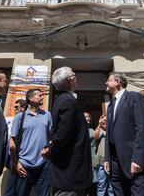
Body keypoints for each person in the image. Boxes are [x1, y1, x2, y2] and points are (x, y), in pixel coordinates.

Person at [104, 72, 144, 196]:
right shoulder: (111, 104)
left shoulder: (134, 97)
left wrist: (138, 158)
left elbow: (143, 128)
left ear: (118, 82)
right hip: (115, 163)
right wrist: (107, 158)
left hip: (133, 160)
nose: (106, 83)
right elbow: (109, 134)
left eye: (109, 80)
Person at [47, 66, 93, 196]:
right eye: (73, 75)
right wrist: (51, 149)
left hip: (67, 169)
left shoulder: (62, 99)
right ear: (69, 80)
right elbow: (63, 134)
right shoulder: (68, 101)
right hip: (69, 169)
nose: (75, 77)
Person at [7, 89, 52, 196]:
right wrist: (16, 163)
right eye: (39, 95)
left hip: (43, 165)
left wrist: (49, 147)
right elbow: (12, 143)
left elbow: (51, 136)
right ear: (31, 99)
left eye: (42, 95)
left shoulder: (47, 115)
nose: (42, 97)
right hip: (24, 165)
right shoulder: (20, 117)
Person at [3, 98, 29, 196]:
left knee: (19, 186)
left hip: (21, 157)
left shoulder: (27, 121)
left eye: (17, 107)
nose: (15, 109)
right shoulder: (8, 120)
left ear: (23, 108)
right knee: (11, 184)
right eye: (14, 107)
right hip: (9, 156)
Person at [93, 115, 114, 196]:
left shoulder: (111, 129)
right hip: (101, 163)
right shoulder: (100, 130)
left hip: (111, 161)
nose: (104, 121)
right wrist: (99, 124)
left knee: (111, 187)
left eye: (106, 120)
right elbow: (95, 136)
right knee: (101, 186)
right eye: (103, 120)